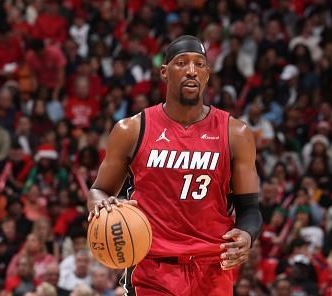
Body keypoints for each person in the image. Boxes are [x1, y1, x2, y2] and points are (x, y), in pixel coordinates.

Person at [87, 35, 262, 296]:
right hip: (153, 269)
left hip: (212, 270)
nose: (192, 71)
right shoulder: (132, 129)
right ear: (165, 72)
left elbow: (250, 209)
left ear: (207, 74)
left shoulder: (235, 133)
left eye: (199, 64)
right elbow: (99, 190)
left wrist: (246, 236)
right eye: (182, 63)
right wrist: (99, 205)